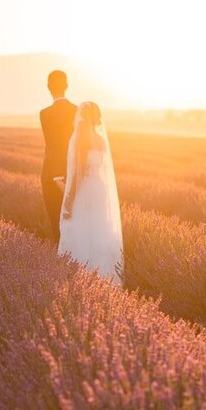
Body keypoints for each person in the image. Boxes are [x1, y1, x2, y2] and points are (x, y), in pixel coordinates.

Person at [58, 100, 124, 285]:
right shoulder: (101, 139)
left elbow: (80, 170)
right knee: (99, 229)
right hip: (99, 188)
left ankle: (82, 277)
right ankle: (103, 278)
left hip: (85, 188)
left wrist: (69, 199)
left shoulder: (81, 137)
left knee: (80, 229)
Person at [39, 69, 77, 245]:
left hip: (50, 176)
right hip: (75, 174)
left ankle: (61, 266)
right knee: (74, 224)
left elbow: (53, 145)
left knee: (57, 227)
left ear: (48, 87)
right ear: (67, 86)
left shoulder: (45, 114)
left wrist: (56, 175)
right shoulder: (77, 111)